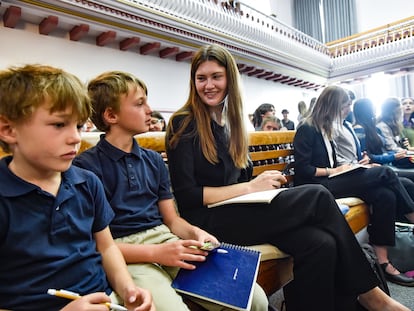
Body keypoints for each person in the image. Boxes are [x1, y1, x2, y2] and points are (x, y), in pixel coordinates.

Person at [165, 43, 411, 311]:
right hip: (206, 220)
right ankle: (371, 295)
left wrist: (261, 185)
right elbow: (188, 196)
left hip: (237, 210)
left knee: (321, 243)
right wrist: (249, 188)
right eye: (201, 78)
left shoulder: (230, 123)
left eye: (216, 77)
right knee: (317, 194)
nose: (208, 85)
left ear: (230, 80)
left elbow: (238, 181)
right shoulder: (184, 122)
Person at [72, 70, 268, 311]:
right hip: (126, 251)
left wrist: (196, 234)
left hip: (164, 237)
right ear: (111, 115)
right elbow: (99, 245)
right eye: (140, 103)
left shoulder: (153, 161)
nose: (149, 110)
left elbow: (172, 220)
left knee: (254, 299)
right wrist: (156, 252)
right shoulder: (86, 167)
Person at [0, 64, 154, 311]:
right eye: (59, 125)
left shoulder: (87, 182)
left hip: (104, 301)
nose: (76, 138)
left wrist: (127, 289)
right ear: (8, 130)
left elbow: (106, 246)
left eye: (79, 126)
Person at [293, 85, 414, 287]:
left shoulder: (327, 126)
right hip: (317, 186)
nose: (349, 109)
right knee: (386, 172)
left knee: (385, 194)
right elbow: (304, 170)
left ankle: (383, 262)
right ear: (332, 105)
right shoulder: (307, 128)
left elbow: (334, 161)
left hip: (332, 179)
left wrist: (352, 166)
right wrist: (335, 171)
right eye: (345, 105)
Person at [353, 98, 412, 169]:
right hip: (381, 165)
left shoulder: (371, 127)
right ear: (366, 110)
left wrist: (397, 154)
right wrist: (393, 156)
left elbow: (382, 152)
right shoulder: (359, 130)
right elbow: (369, 156)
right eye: (373, 107)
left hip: (386, 163)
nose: (375, 109)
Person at [377, 97, 414, 168]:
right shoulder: (382, 126)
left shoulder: (394, 125)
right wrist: (408, 151)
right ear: (394, 111)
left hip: (399, 155)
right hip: (392, 159)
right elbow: (392, 148)